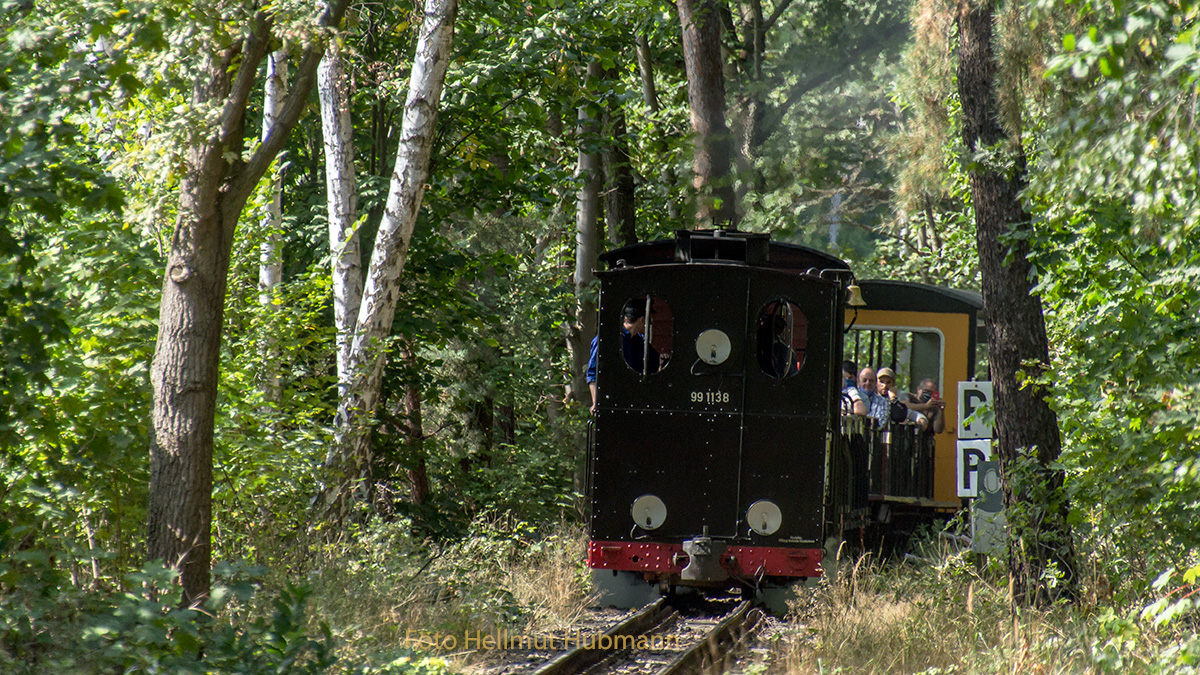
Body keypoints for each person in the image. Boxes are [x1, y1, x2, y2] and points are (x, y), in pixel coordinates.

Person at [621, 300, 659, 377]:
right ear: (642, 320)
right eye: (648, 319)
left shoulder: (639, 341)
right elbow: (593, 375)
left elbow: (653, 361)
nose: (650, 322)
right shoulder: (612, 340)